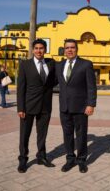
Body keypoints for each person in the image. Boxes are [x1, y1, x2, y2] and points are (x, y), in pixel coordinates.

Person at [56, 39, 97, 173]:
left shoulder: (86, 64)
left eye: (72, 47)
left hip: (81, 107)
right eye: (67, 48)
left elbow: (92, 87)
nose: (69, 50)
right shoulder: (59, 65)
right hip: (64, 107)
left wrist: (91, 104)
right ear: (64, 50)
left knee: (81, 135)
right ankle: (70, 159)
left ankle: (81, 160)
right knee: (67, 135)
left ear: (76, 49)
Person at [17, 39, 56, 173]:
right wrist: (20, 108)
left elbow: (56, 80)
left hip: (45, 106)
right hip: (28, 106)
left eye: (41, 48)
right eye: (37, 48)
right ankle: (23, 159)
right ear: (33, 50)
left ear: (45, 50)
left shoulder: (51, 63)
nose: (39, 51)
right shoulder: (25, 65)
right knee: (24, 134)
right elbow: (20, 88)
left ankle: (41, 156)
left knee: (42, 134)